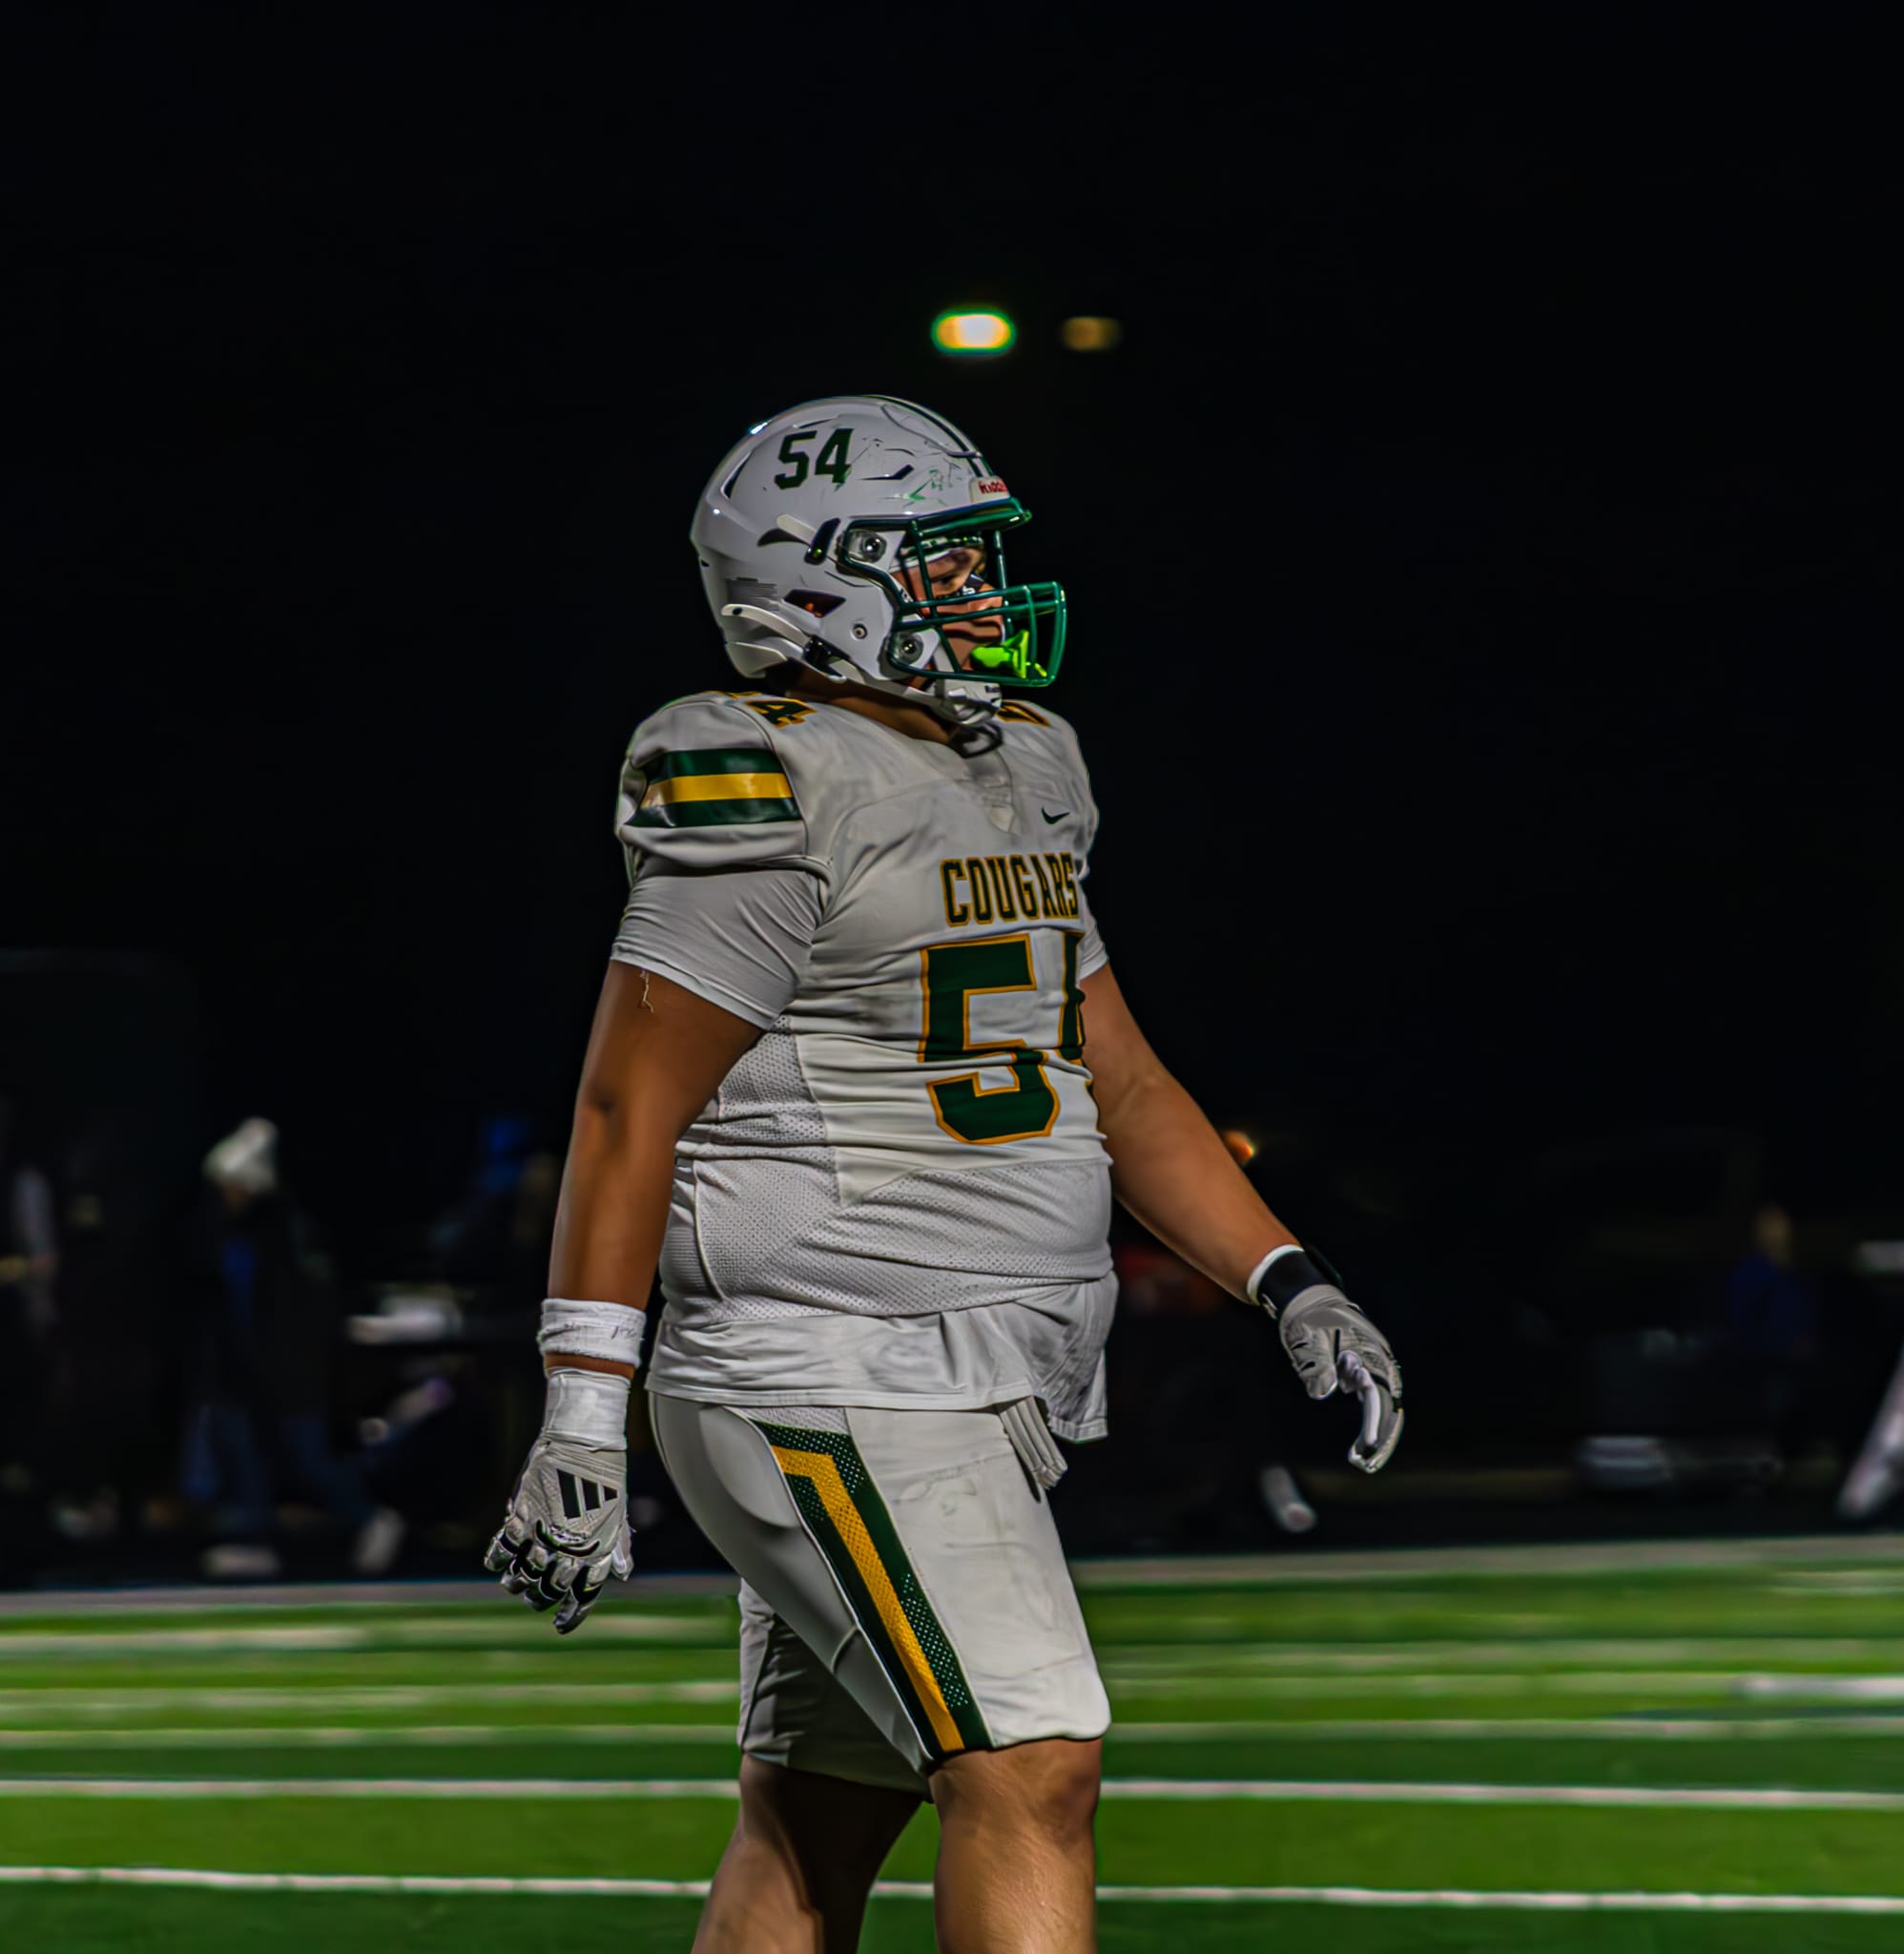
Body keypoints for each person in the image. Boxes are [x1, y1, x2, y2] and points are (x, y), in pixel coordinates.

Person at [486, 397, 1404, 1952]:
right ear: (814, 579)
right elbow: (629, 1105)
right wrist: (582, 1407)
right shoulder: (752, 766)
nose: (985, 589)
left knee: (815, 1818)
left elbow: (1114, 1073)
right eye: (945, 559)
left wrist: (1286, 1277)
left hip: (958, 1370)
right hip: (825, 1363)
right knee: (1033, 1760)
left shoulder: (1025, 760)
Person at [183, 1117, 404, 1577]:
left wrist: (288, 1367)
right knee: (245, 1453)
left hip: (289, 1372)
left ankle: (369, 1518)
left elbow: (298, 1312)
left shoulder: (286, 1235)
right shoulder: (231, 1235)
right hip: (245, 1369)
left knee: (307, 1455)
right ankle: (254, 1538)